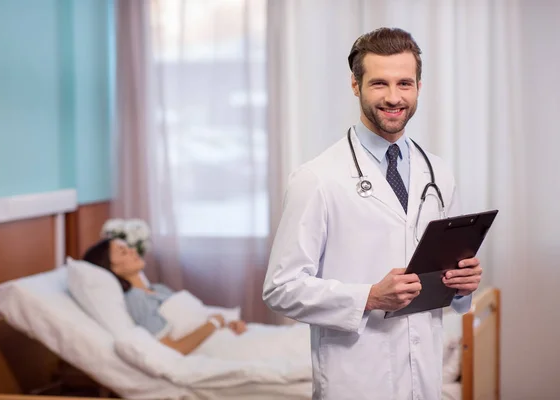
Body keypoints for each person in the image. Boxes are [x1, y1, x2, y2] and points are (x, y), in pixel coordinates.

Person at [262, 27, 483, 400]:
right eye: (379, 83)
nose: (394, 97)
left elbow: (447, 269)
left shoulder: (439, 172)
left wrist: (462, 283)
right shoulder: (317, 178)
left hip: (423, 376)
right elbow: (280, 289)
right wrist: (369, 296)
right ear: (355, 85)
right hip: (356, 378)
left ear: (419, 86)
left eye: (405, 83)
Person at [83, 238, 247, 355]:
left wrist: (227, 324)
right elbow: (174, 348)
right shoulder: (136, 300)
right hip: (207, 350)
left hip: (221, 339)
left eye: (128, 247)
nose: (133, 250)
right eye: (123, 252)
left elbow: (192, 322)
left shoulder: (158, 289)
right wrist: (214, 322)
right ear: (111, 268)